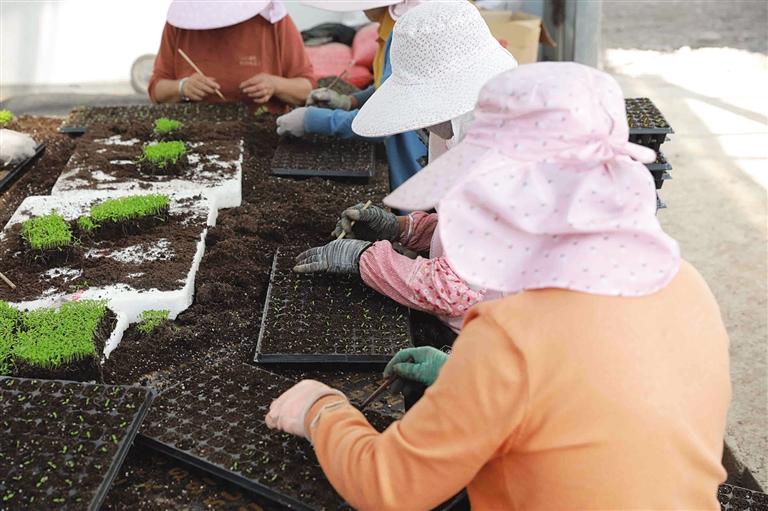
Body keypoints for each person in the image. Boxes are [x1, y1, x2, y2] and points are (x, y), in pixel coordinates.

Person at [266, 63, 732, 510]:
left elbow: (389, 486)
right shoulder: (686, 284)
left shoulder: (511, 334)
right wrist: (463, 379)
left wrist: (321, 410)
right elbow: (598, 406)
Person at [292, 0, 518, 333]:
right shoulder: (473, 125)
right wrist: (404, 230)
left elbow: (452, 290)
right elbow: (477, 234)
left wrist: (364, 258)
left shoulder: (492, 160)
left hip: (498, 336)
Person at [276, 0, 429, 190]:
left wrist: (312, 119)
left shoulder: (408, 36)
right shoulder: (393, 31)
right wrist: (350, 101)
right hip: (411, 156)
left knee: (418, 214)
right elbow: (390, 87)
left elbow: (383, 121)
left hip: (415, 166)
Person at [148, 0, 314, 113]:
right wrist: (182, 87)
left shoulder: (273, 19)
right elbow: (157, 89)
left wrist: (275, 85)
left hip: (262, 134)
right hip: (194, 132)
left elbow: (307, 89)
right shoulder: (181, 23)